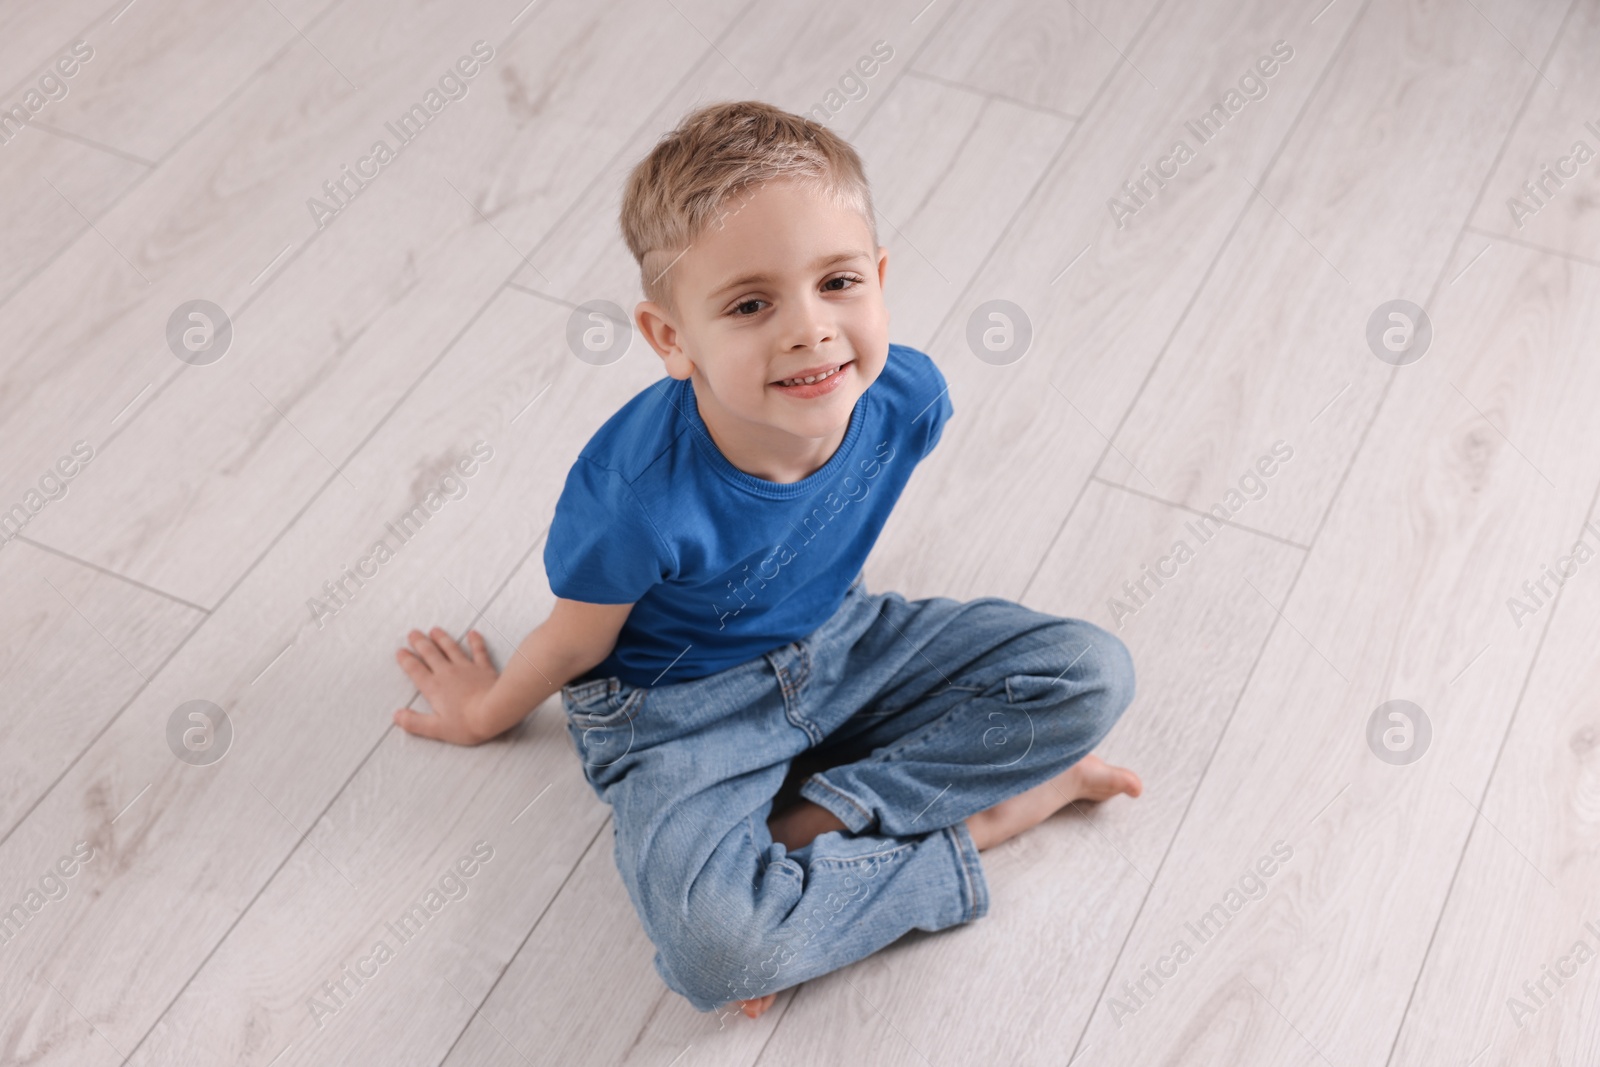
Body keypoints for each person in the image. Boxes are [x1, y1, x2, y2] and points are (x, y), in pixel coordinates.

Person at [391, 100, 1141, 1021]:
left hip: (842, 640)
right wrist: (487, 712)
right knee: (719, 951)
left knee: (1092, 672)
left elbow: (813, 536)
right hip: (676, 710)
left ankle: (814, 822)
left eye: (837, 283)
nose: (809, 330)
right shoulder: (634, 494)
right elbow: (571, 645)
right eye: (751, 304)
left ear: (880, 279)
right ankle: (982, 823)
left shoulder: (908, 395)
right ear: (672, 339)